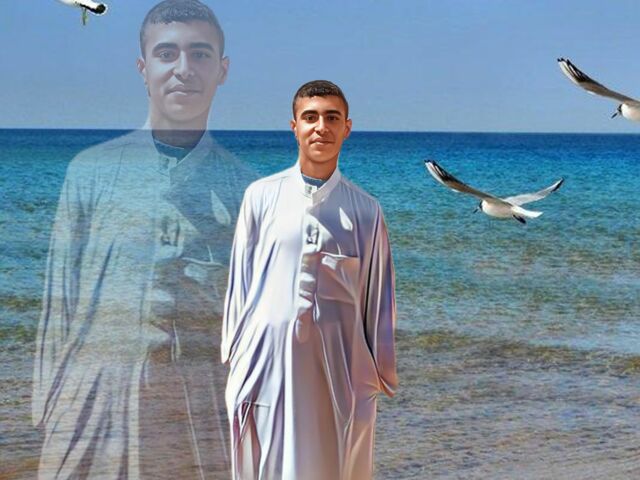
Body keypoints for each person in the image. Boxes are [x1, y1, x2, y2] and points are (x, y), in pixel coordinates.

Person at [32, 1, 254, 478]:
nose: (183, 69)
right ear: (143, 68)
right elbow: (58, 305)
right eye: (166, 54)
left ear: (222, 70)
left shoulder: (246, 190)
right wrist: (48, 413)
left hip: (199, 410)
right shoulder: (90, 172)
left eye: (199, 54)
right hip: (93, 406)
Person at [222, 80, 398, 480]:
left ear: (347, 128)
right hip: (265, 365)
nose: (321, 127)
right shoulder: (260, 197)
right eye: (311, 117)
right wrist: (236, 357)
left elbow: (377, 299)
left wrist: (376, 376)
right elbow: (240, 282)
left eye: (332, 118)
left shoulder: (366, 211)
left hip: (337, 371)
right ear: (294, 127)